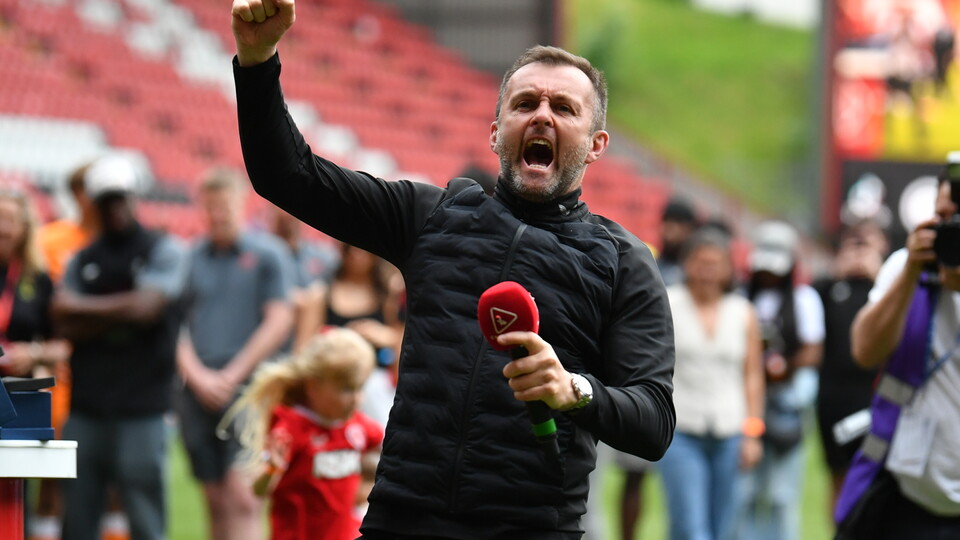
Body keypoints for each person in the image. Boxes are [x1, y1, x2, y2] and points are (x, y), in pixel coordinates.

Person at [230, 2, 676, 538]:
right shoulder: (431, 216)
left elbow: (654, 421)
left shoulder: (623, 262)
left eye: (564, 108)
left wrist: (573, 389)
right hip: (401, 518)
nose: (542, 115)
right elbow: (289, 176)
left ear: (596, 145)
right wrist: (257, 61)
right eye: (526, 102)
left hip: (531, 528)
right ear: (495, 131)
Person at [51, 155, 188, 540]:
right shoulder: (84, 258)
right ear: (94, 205)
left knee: (145, 520)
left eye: (121, 198)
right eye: (107, 201)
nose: (116, 209)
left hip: (143, 406)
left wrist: (86, 311)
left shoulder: (164, 249)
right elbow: (62, 318)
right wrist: (127, 309)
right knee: (77, 519)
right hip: (87, 406)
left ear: (135, 197)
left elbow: (149, 308)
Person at [837, 162, 960, 538]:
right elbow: (864, 350)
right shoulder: (907, 268)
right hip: (907, 492)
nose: (949, 228)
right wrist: (911, 275)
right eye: (942, 217)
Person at [175, 168, 295, 540]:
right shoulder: (190, 256)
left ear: (240, 204)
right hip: (196, 392)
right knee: (213, 498)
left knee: (244, 498)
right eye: (210, 206)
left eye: (224, 205)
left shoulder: (268, 254)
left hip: (251, 391)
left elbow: (279, 319)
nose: (218, 214)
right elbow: (174, 324)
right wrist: (197, 376)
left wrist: (232, 374)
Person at [657, 229, 765, 540]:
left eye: (715, 263)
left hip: (729, 432)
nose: (707, 271)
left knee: (722, 529)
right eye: (700, 262)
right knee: (692, 528)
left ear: (728, 268)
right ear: (686, 263)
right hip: (680, 430)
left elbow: (752, 375)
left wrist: (753, 432)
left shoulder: (743, 313)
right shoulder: (668, 303)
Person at [228, 328, 383, 540]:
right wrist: (272, 468)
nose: (357, 399)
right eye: (346, 389)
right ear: (313, 387)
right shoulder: (291, 427)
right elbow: (259, 489)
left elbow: (387, 446)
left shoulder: (356, 425)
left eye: (360, 388)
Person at [735, 220, 824, 540]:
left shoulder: (804, 300)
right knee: (744, 493)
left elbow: (813, 351)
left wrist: (784, 366)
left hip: (787, 406)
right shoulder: (743, 296)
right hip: (747, 405)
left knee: (781, 495)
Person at [33, 161, 103, 540]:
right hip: (59, 375)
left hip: (107, 373)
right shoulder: (50, 240)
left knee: (109, 482)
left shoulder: (117, 239)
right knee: (50, 476)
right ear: (77, 194)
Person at [813, 220, 888, 509]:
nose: (859, 252)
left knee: (879, 477)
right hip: (834, 395)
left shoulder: (888, 285)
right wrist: (836, 273)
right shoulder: (830, 288)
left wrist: (879, 274)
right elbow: (805, 310)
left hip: (875, 394)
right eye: (853, 244)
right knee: (838, 475)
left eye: (867, 244)